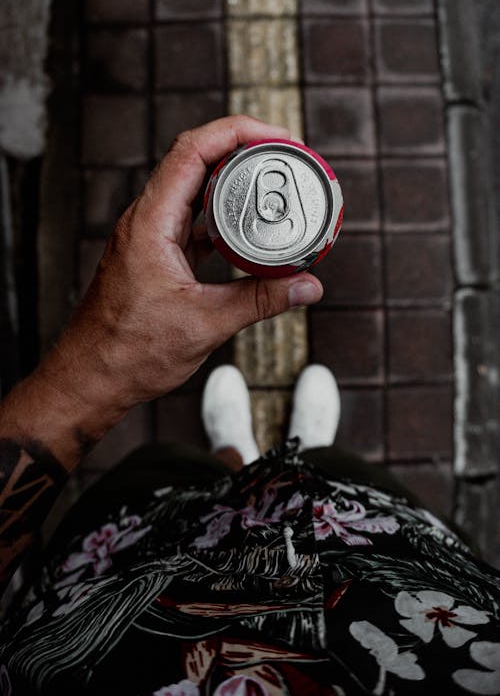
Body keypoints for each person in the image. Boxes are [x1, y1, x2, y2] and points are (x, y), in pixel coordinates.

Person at [0, 116, 499, 696]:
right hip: (383, 556)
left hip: (135, 577)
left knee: (162, 467)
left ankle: (234, 456)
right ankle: (301, 460)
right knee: (341, 474)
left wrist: (86, 381)